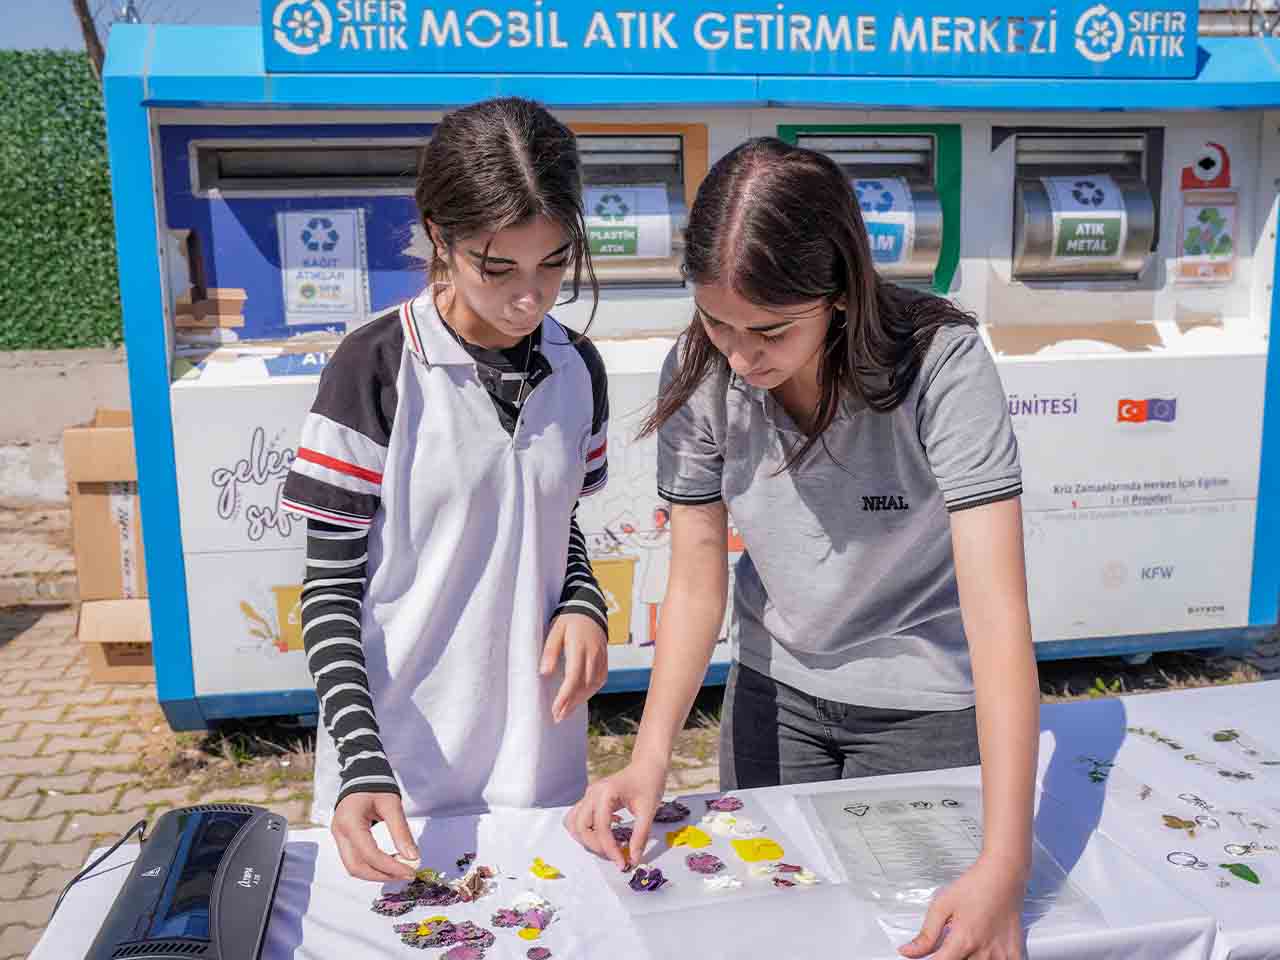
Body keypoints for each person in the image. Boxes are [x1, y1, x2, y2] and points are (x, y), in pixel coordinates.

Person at [566, 138, 1038, 960]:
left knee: (913, 935)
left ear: (842, 294)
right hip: (774, 696)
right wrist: (648, 761)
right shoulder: (702, 369)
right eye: (717, 321)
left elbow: (999, 619)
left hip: (925, 708)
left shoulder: (944, 365)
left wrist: (1006, 858)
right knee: (770, 928)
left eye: (772, 330)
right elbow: (694, 586)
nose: (742, 357)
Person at [282, 97, 611, 883]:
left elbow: (551, 521)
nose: (531, 298)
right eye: (498, 268)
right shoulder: (375, 368)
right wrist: (362, 764)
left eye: (554, 263)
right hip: (400, 779)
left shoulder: (578, 367)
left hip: (540, 763)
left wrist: (581, 601)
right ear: (440, 235)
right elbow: (328, 590)